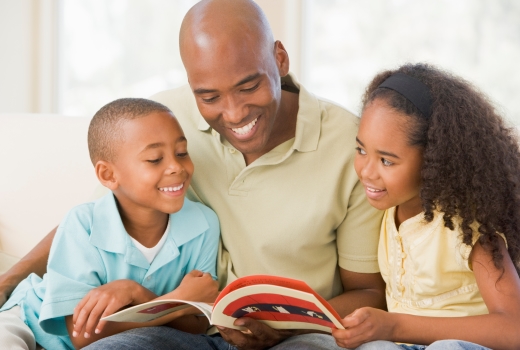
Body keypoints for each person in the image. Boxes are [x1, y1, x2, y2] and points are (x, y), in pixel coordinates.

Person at [0, 0, 386, 349]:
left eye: (249, 85)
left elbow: (369, 290)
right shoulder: (160, 121)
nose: (234, 114)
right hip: (182, 330)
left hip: (294, 338)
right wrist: (7, 282)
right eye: (209, 96)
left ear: (280, 59)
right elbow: (95, 219)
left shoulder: (349, 146)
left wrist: (291, 329)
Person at [0, 98, 221, 349]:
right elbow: (81, 335)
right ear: (108, 175)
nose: (176, 167)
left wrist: (138, 294)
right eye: (154, 159)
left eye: (182, 153)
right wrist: (177, 301)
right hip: (29, 320)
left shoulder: (204, 224)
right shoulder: (83, 223)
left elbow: (196, 326)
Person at [330, 63, 520, 349]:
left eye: (386, 160)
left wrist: (394, 325)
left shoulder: (466, 226)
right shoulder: (385, 209)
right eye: (361, 150)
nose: (367, 172)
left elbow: (514, 329)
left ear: (433, 160)